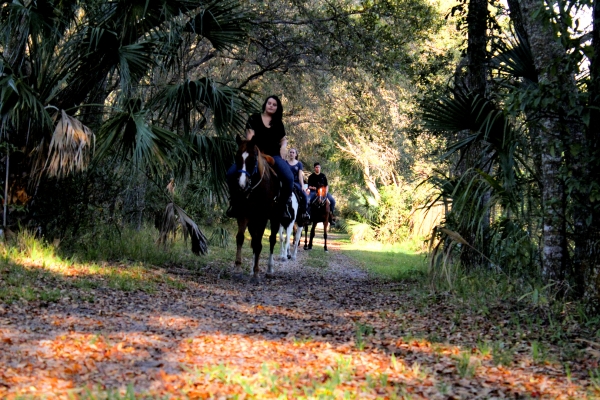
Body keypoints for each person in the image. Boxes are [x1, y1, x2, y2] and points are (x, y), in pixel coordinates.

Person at [226, 95, 294, 218]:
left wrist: (283, 147)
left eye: (274, 104)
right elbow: (250, 138)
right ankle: (234, 203)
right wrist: (255, 151)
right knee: (230, 173)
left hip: (273, 156)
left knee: (289, 178)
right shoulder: (254, 118)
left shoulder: (278, 123)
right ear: (265, 104)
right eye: (269, 103)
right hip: (254, 154)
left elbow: (283, 140)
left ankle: (283, 207)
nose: (271, 106)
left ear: (277, 108)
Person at [286, 148, 309, 219]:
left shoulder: (299, 164)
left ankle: (304, 212)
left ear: (296, 154)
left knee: (305, 196)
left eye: (293, 152)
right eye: (290, 152)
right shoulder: (285, 162)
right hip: (287, 182)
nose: (291, 154)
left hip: (296, 183)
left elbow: (300, 176)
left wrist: (302, 186)